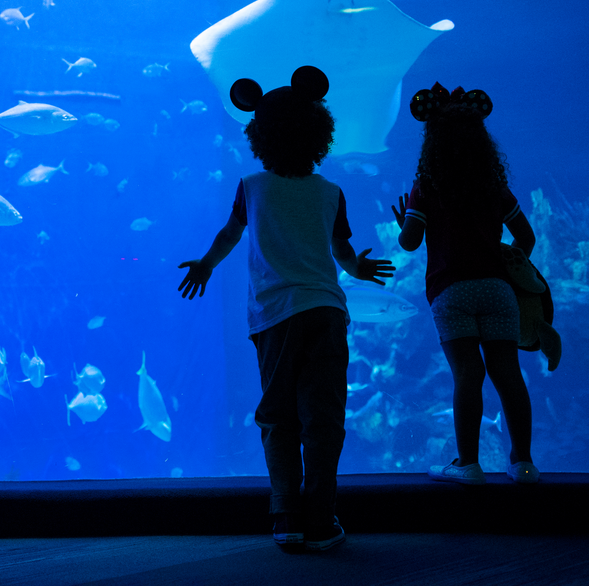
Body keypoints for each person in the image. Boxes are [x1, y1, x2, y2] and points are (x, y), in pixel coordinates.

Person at [178, 65, 393, 553]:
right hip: (324, 311)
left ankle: (286, 517)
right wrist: (361, 270)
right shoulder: (330, 192)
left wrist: (206, 265)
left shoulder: (252, 188)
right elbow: (342, 254)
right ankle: (321, 517)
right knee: (324, 416)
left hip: (275, 316)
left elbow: (231, 234)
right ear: (320, 132)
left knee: (278, 416)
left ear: (259, 134)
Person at [391, 82, 538, 486]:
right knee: (509, 375)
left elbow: (409, 242)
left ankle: (469, 464)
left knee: (467, 376)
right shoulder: (494, 186)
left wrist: (405, 216)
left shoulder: (426, 187)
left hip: (450, 292)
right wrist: (508, 258)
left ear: (431, 142)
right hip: (497, 288)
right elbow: (527, 237)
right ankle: (523, 463)